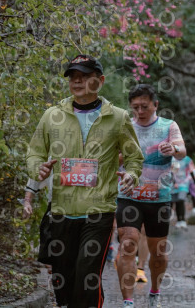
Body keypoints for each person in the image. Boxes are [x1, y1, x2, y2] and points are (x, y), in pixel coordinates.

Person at [26, 54, 143, 308]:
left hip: (98, 211)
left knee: (87, 276)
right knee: (63, 279)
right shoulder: (52, 115)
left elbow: (134, 158)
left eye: (84, 76)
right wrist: (38, 168)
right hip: (61, 211)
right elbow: (34, 153)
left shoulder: (118, 117)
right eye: (73, 77)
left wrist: (131, 175)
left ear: (100, 81)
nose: (77, 81)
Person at [116, 84, 186, 308]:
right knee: (128, 244)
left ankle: (155, 291)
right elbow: (114, 156)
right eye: (135, 107)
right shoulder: (125, 127)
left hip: (158, 199)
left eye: (144, 106)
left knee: (158, 253)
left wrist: (173, 149)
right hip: (128, 195)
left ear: (155, 105)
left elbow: (182, 150)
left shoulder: (169, 126)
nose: (140, 111)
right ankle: (128, 302)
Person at [170, 155, 195, 229]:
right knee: (177, 201)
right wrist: (174, 182)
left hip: (184, 183)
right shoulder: (173, 159)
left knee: (181, 199)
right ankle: (179, 221)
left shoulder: (187, 159)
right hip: (175, 184)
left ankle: (183, 220)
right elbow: (172, 172)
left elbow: (192, 171)